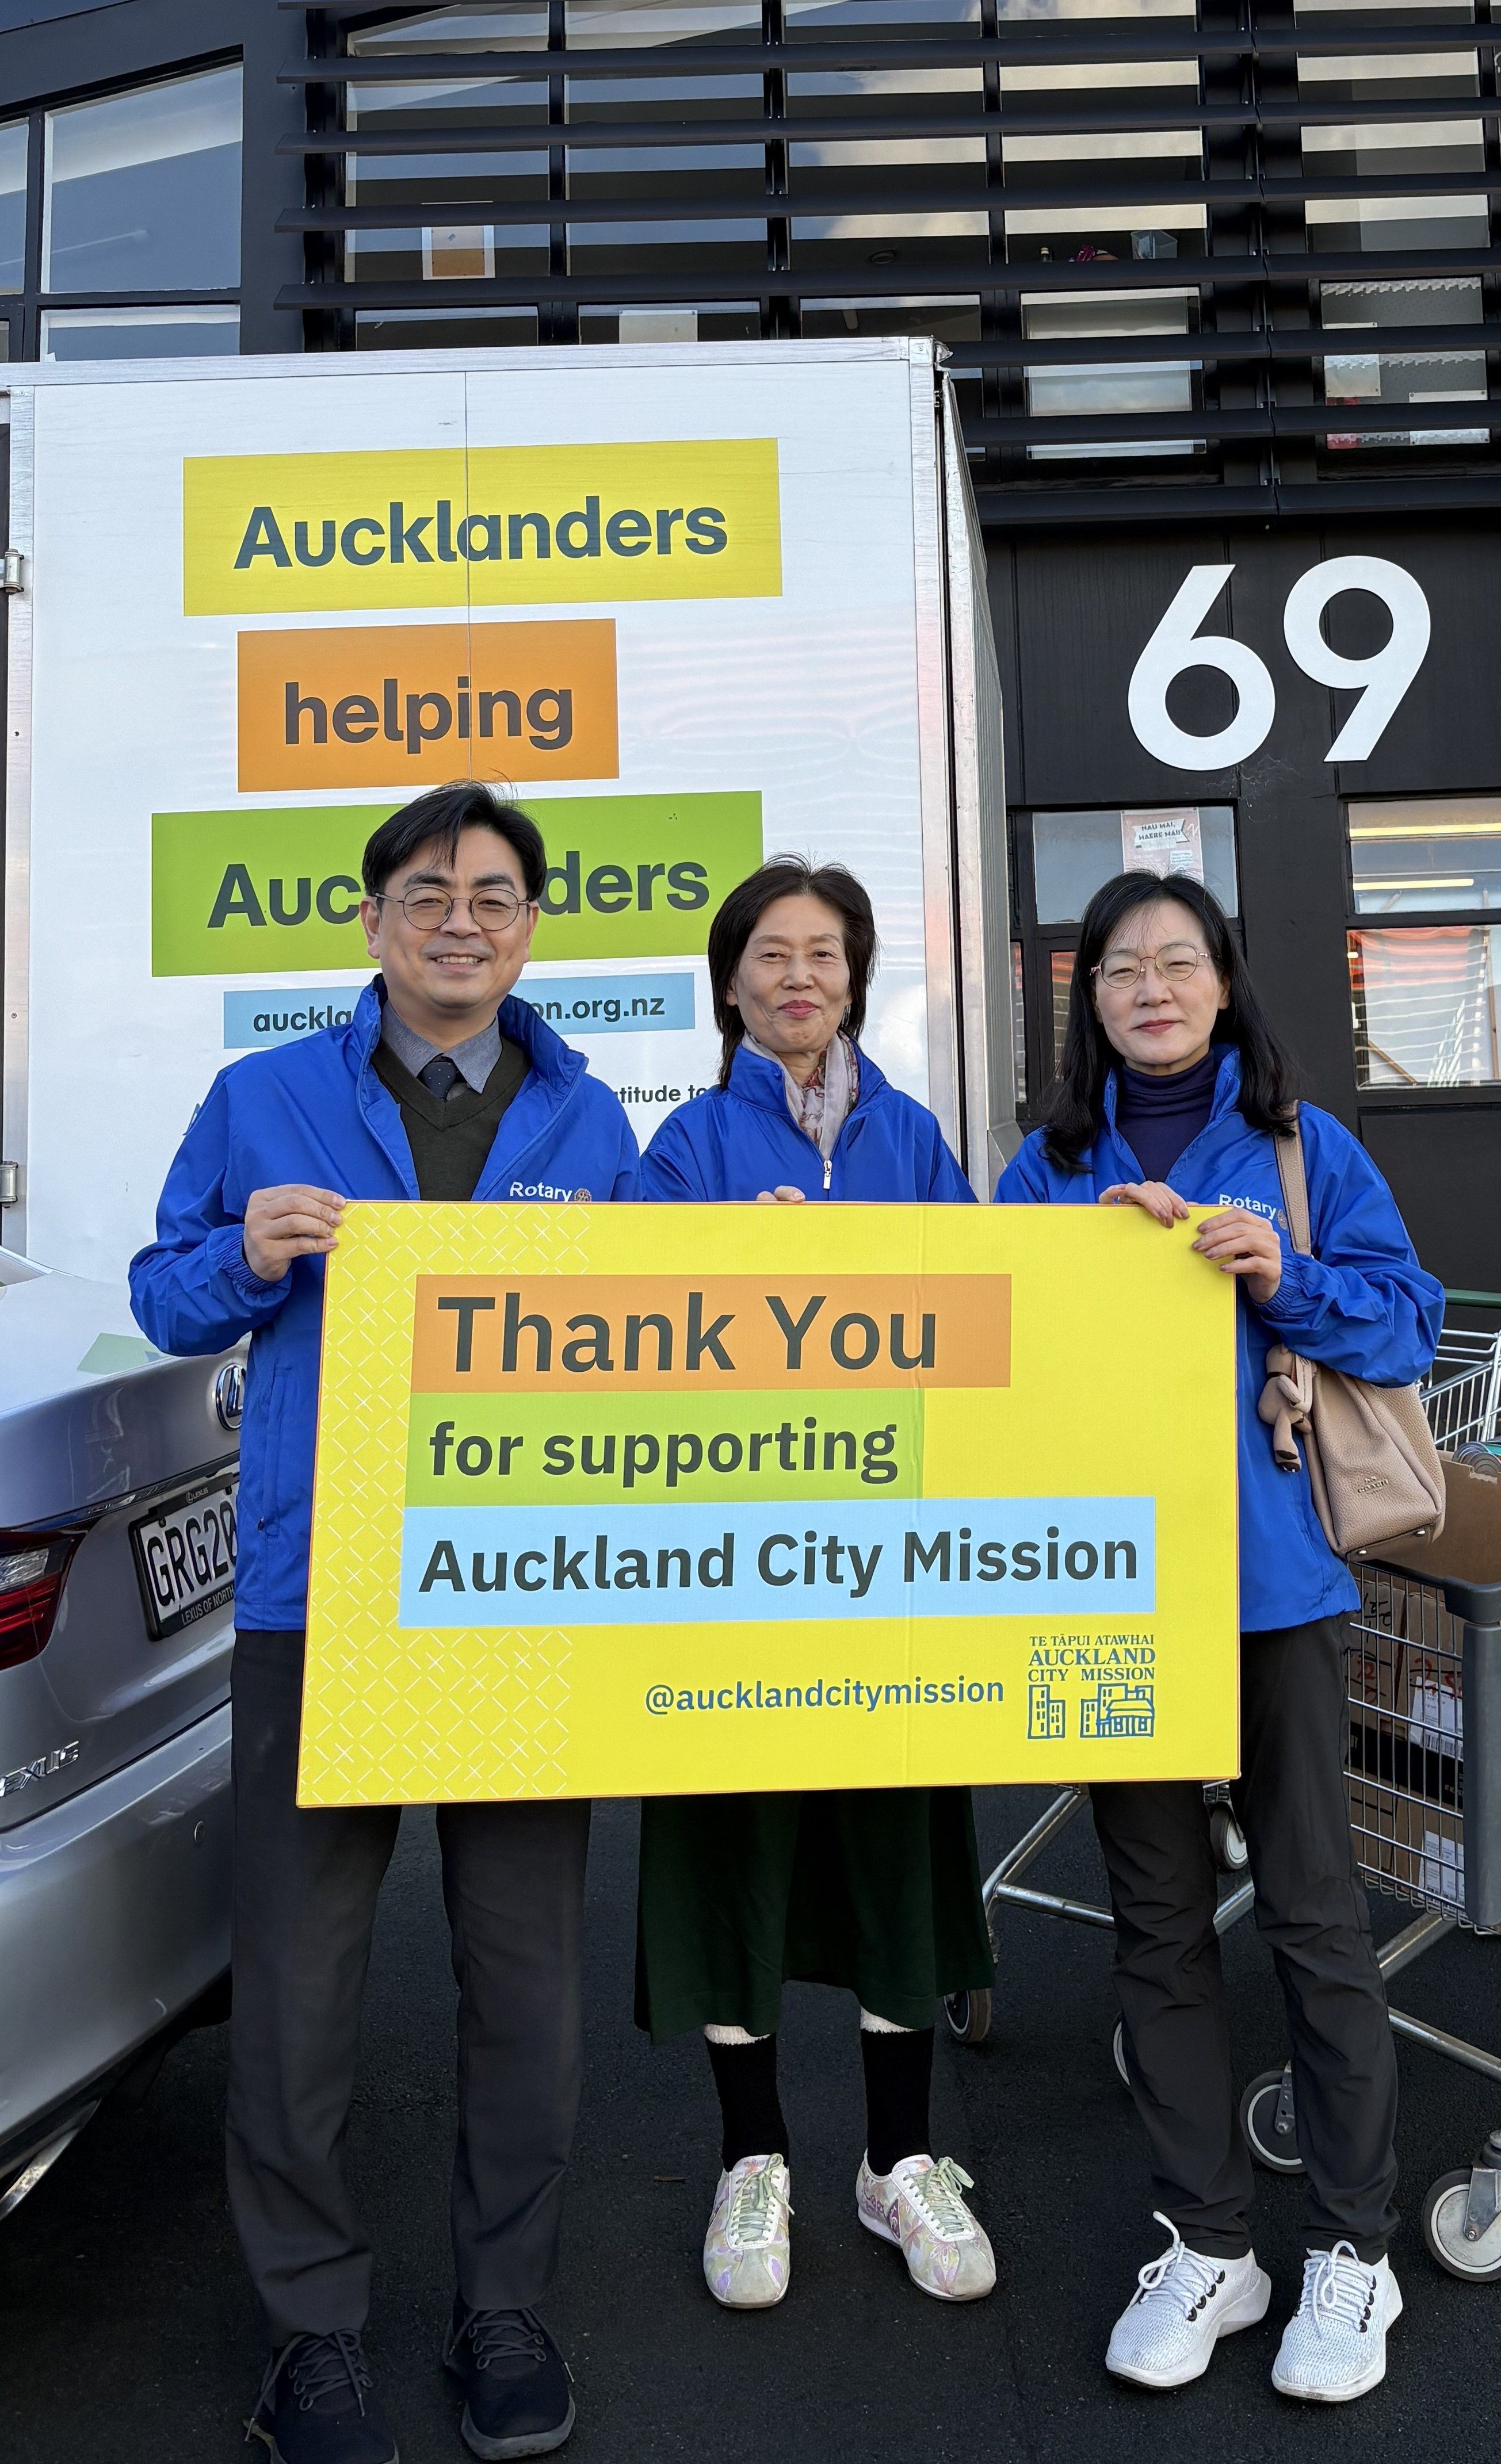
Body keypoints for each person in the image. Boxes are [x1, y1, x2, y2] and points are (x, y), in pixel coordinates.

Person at [131, 782, 639, 2464]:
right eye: (427, 891)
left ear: (531, 926)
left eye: (495, 894)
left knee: (526, 1979)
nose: (460, 920)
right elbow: (159, 1281)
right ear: (370, 918)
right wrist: (240, 1260)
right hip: (314, 1590)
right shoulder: (262, 1094)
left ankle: (503, 2301)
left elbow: (657, 1334)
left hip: (513, 1598)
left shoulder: (587, 1120)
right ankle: (313, 2335)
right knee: (295, 1985)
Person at [995, 869, 1442, 2406]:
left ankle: (1351, 2247)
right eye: (1119, 968)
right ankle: (1207, 2238)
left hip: (1268, 1589)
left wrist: (1277, 1272)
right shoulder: (1040, 1171)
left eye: (1176, 961)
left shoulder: (1304, 1152)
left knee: (1316, 1916)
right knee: (1159, 1928)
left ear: (1225, 983)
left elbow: (1405, 1325)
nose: (1150, 987)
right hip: (1102, 1593)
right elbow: (983, 1369)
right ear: (1089, 1001)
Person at [633, 857, 1000, 2317]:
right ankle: (754, 2158)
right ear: (730, 984)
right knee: (736, 1850)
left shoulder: (913, 1139)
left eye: (827, 956)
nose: (799, 977)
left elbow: (994, 1325)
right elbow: (624, 1354)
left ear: (854, 981)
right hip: (733, 1575)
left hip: (895, 1573)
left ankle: (900, 2160)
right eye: (772, 955)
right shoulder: (677, 1152)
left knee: (894, 1850)